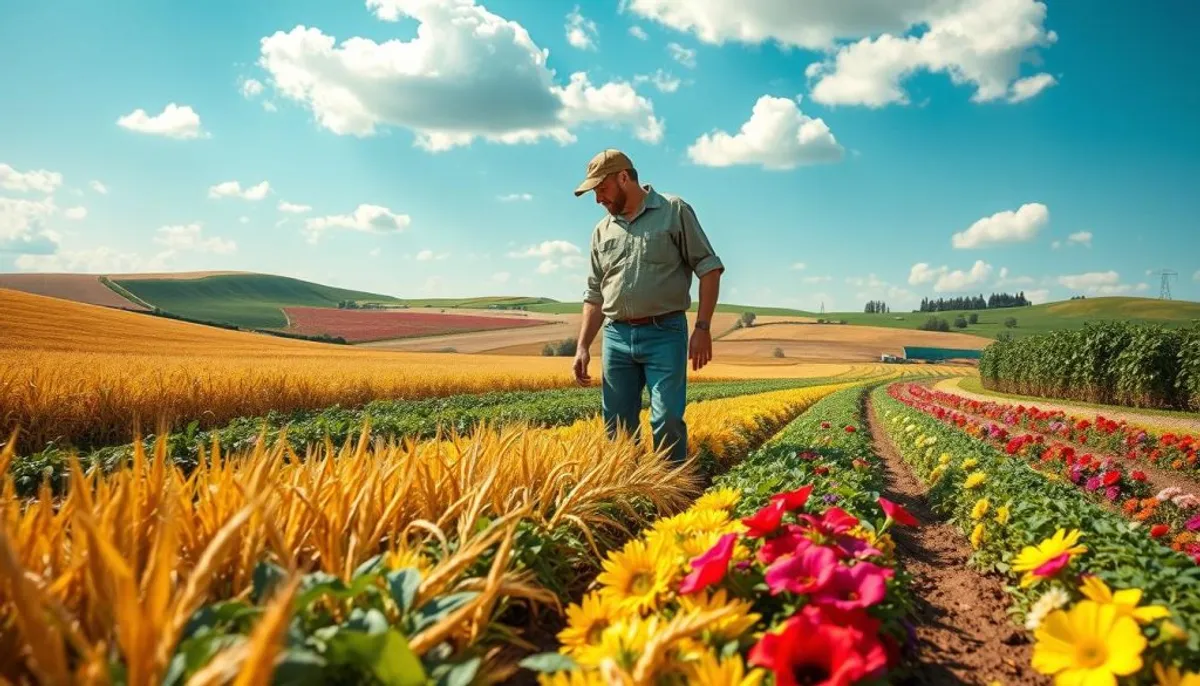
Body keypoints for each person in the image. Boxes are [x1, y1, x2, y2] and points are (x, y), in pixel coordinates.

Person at [570, 148, 725, 465]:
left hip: (665, 333)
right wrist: (583, 345)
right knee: (618, 429)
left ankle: (675, 494)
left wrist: (703, 328)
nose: (598, 199)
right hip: (616, 336)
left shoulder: (673, 211)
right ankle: (632, 495)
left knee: (667, 420)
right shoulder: (602, 231)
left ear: (623, 177)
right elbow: (595, 292)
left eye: (602, 188)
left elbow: (709, 268)